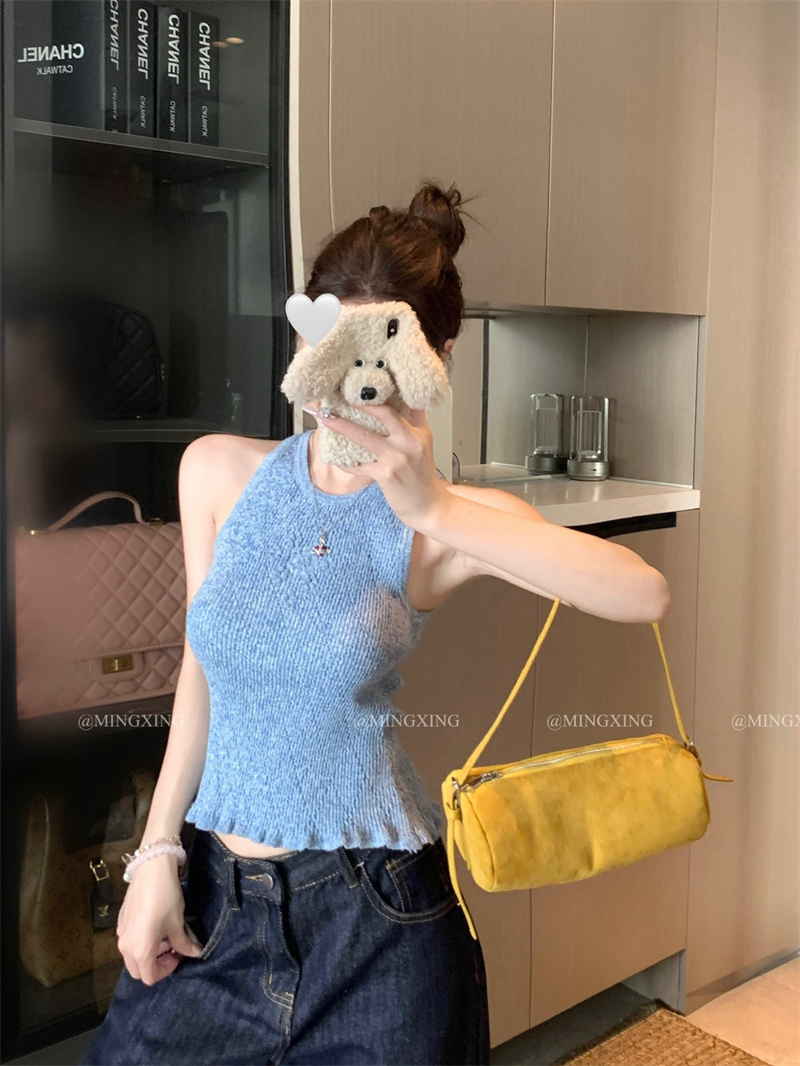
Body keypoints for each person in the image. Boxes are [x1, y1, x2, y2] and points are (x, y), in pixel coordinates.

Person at [81, 181, 670, 1066]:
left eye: (386, 355)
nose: (353, 387)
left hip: (377, 920)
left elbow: (641, 594)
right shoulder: (218, 473)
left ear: (433, 360)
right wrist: (156, 851)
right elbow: (202, 676)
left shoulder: (442, 523)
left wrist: (435, 507)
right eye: (331, 348)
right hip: (212, 902)